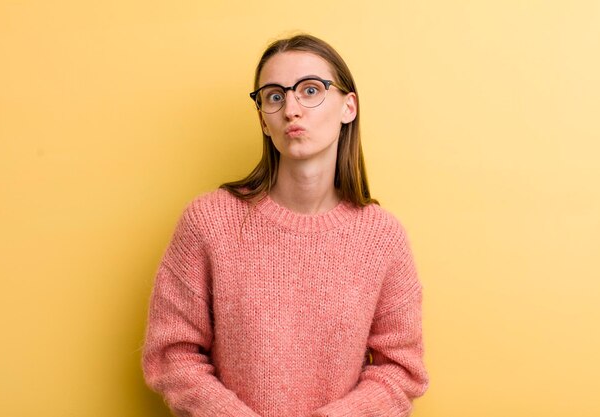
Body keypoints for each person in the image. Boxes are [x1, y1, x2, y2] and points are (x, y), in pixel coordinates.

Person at [142, 33, 429, 417]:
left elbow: (400, 370)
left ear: (349, 106)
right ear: (263, 118)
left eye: (310, 90)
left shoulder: (382, 237)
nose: (292, 108)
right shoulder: (208, 222)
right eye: (275, 96)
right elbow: (172, 356)